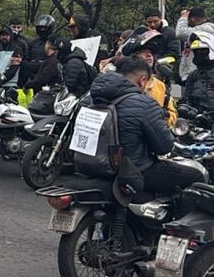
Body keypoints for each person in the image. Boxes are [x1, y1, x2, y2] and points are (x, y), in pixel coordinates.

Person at [89, 56, 203, 193]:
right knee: (197, 176)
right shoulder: (144, 100)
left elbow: (176, 103)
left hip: (92, 166)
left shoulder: (89, 97)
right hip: (133, 170)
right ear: (142, 80)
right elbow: (164, 146)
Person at [122, 32, 178, 128]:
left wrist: (164, 117)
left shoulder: (161, 86)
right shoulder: (122, 82)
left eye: (150, 53)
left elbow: (173, 114)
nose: (149, 55)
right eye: (142, 52)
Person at [177, 7, 214, 83]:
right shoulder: (196, 30)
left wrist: (183, 17)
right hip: (192, 74)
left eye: (188, 20)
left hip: (200, 75)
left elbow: (180, 33)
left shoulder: (206, 28)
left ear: (192, 19)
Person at [19, 15, 57, 87]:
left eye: (44, 28)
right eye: (40, 27)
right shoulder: (33, 43)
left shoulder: (56, 42)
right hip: (32, 78)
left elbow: (52, 63)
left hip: (49, 79)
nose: (42, 30)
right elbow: (27, 59)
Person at [182, 30, 214, 113]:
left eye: (202, 51)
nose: (199, 54)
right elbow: (187, 99)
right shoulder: (193, 75)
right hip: (197, 120)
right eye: (196, 52)